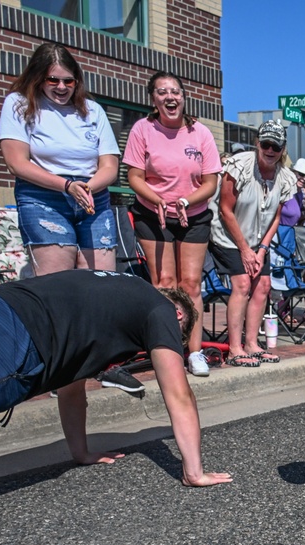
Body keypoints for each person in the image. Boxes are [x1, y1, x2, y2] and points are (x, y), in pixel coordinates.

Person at [0, 270, 232, 489]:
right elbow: (178, 394)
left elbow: (71, 387)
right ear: (178, 312)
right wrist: (193, 471)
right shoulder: (161, 309)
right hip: (6, 335)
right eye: (178, 333)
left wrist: (82, 453)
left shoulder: (117, 293)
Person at [122, 71, 222, 377]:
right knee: (164, 283)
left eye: (175, 91)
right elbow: (134, 176)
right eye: (162, 92)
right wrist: (157, 201)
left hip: (192, 214)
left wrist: (185, 202)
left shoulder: (200, 132)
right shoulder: (143, 129)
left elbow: (210, 182)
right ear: (153, 99)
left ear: (183, 96)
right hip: (153, 214)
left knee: (190, 284)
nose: (170, 97)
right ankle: (167, 349)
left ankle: (194, 352)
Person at [0, 43, 120, 276]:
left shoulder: (93, 110)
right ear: (38, 78)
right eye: (53, 80)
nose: (62, 87)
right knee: (57, 282)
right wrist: (66, 186)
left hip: (92, 195)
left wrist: (87, 188)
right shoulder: (19, 104)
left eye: (69, 81)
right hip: (43, 197)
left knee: (102, 283)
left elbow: (110, 165)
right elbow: (16, 163)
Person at [213, 120, 295, 367]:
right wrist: (245, 249)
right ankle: (234, 347)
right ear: (258, 144)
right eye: (266, 145)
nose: (270, 151)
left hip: (258, 239)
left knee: (263, 285)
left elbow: (276, 217)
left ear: (283, 149)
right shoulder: (239, 165)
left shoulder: (286, 177)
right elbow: (225, 209)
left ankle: (251, 343)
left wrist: (262, 248)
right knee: (242, 283)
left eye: (276, 147)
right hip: (228, 234)